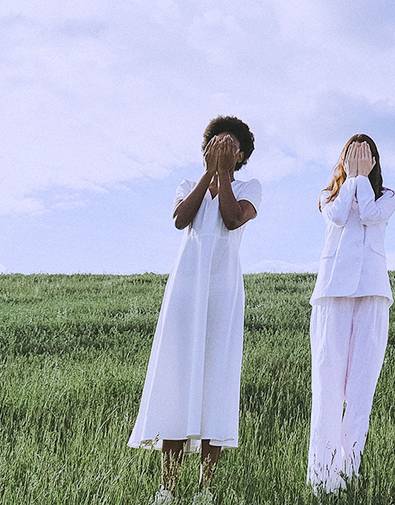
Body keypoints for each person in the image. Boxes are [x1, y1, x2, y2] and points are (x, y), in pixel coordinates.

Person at [129, 116, 262, 505]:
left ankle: (206, 489)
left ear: (241, 156)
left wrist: (223, 177)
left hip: (222, 291)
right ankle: (167, 486)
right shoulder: (189, 185)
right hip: (187, 289)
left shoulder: (249, 188)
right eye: (217, 145)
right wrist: (208, 174)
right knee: (179, 378)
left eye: (231, 147)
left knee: (214, 381)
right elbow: (180, 219)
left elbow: (232, 218)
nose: (223, 151)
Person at [306, 134, 395, 494]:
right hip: (332, 293)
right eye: (352, 155)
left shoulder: (388, 196)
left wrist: (362, 181)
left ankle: (349, 469)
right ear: (343, 160)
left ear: (374, 161)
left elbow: (372, 214)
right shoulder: (329, 195)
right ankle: (323, 475)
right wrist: (354, 179)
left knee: (361, 388)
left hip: (372, 292)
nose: (359, 160)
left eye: (365, 156)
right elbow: (340, 216)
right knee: (327, 385)